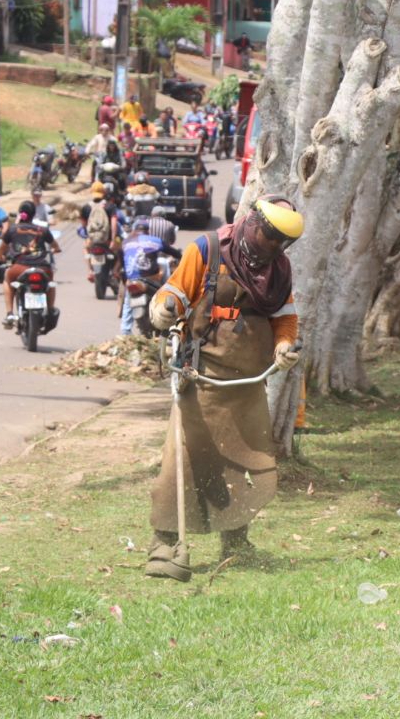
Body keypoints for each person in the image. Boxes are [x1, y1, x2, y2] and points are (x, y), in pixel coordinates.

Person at [145, 197, 304, 576]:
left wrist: (283, 346)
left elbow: (285, 317)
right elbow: (176, 292)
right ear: (252, 223)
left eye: (280, 242)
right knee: (180, 459)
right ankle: (164, 544)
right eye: (268, 237)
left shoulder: (278, 269)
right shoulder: (209, 249)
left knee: (243, 459)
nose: (271, 248)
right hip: (201, 377)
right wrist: (165, 309)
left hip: (248, 382)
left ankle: (236, 542)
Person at [0, 200, 60, 328]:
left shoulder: (13, 229)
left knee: (7, 281)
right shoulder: (42, 229)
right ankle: (50, 308)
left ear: (20, 214)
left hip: (19, 267)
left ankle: (10, 313)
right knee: (50, 284)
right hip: (42, 267)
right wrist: (55, 250)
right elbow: (55, 246)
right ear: (34, 215)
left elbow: (2, 248)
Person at [119, 216, 181, 336]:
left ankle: (125, 331)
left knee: (127, 302)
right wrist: (180, 256)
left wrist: (126, 279)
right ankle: (169, 326)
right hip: (150, 278)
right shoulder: (154, 240)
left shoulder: (126, 242)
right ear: (147, 231)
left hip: (132, 279)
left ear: (134, 230)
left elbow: (122, 261)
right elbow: (174, 252)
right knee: (165, 294)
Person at [80, 181, 120, 281]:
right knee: (122, 251)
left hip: (92, 240)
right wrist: (113, 240)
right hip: (106, 240)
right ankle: (115, 270)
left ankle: (90, 271)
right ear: (104, 192)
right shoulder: (110, 206)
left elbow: (84, 225)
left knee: (85, 249)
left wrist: (88, 237)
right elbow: (114, 224)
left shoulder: (86, 207)